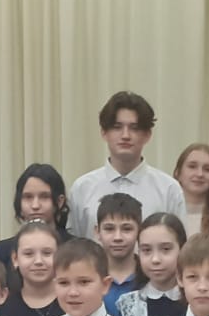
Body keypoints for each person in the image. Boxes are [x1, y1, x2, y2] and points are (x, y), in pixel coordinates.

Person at [68, 91, 185, 241]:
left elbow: (180, 245)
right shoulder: (82, 188)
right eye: (117, 127)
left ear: (147, 135)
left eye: (134, 128)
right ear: (104, 133)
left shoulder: (168, 189)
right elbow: (75, 245)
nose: (125, 135)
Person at [0, 163, 73, 276]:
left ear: (59, 201)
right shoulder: (3, 250)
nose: (35, 205)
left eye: (44, 197)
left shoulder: (76, 248)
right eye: (28, 197)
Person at [117, 212, 188, 316]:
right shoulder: (128, 305)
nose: (155, 259)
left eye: (165, 249)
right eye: (146, 250)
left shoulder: (195, 301)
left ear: (182, 249)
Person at [0, 221, 65, 316]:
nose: (38, 261)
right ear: (15, 259)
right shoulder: (2, 307)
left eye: (47, 253)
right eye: (28, 254)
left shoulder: (72, 301)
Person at [96, 193, 143, 316]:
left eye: (127, 229)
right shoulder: (88, 277)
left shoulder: (149, 276)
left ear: (139, 231)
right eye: (109, 229)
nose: (118, 237)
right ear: (97, 232)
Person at [174, 142, 209, 236]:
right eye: (192, 166)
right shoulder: (165, 210)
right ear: (178, 173)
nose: (200, 174)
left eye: (207, 169)